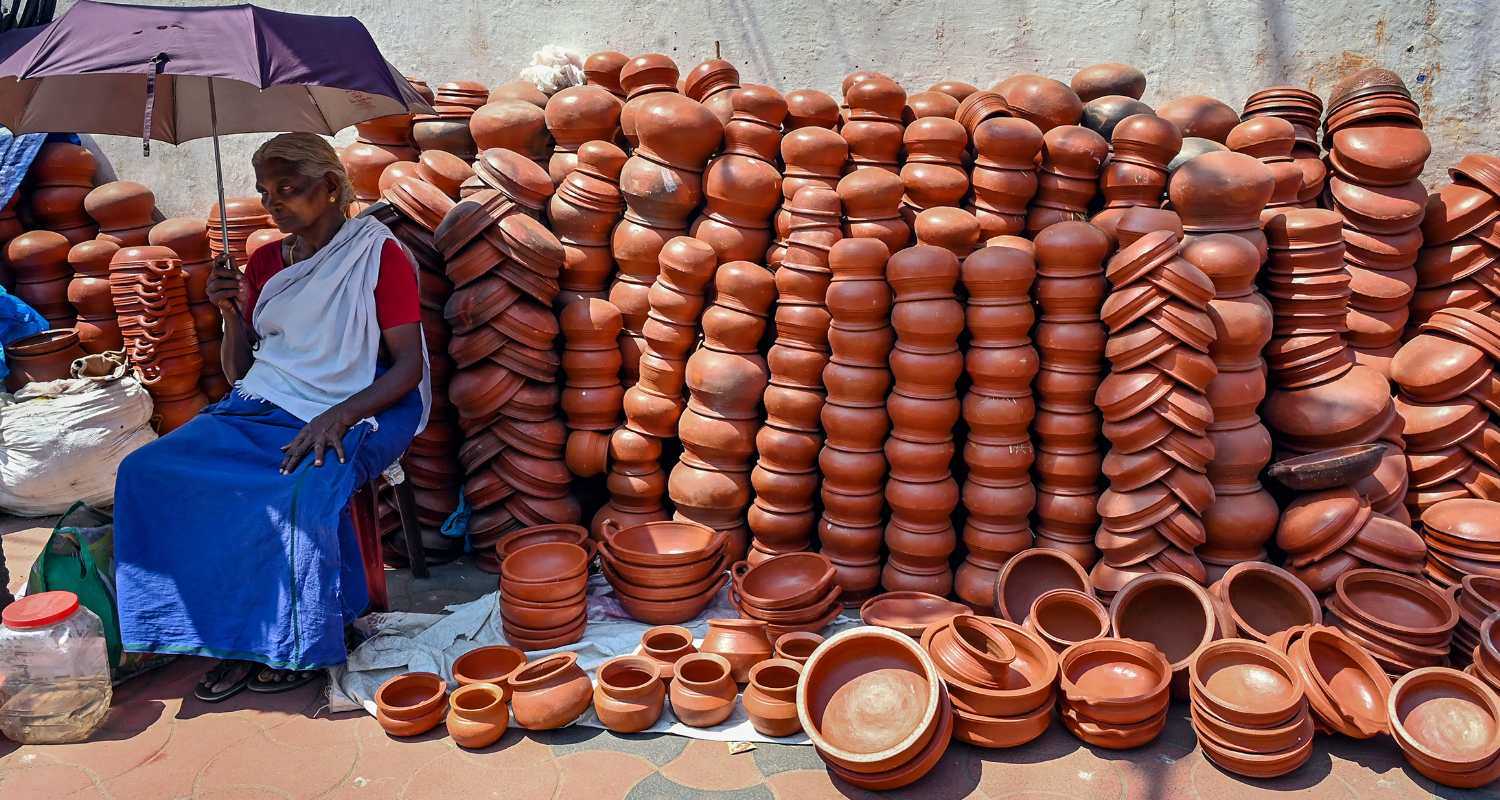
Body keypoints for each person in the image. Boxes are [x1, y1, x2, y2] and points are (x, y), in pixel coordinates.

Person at [114, 132, 428, 702]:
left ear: (331, 188)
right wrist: (231, 312)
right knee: (147, 472)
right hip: (263, 402)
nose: (274, 203)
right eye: (265, 192)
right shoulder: (262, 260)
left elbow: (406, 367)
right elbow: (239, 373)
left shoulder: (377, 255)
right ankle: (225, 636)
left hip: (362, 403)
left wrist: (338, 415)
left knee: (304, 489)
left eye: (289, 189)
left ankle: (298, 636)